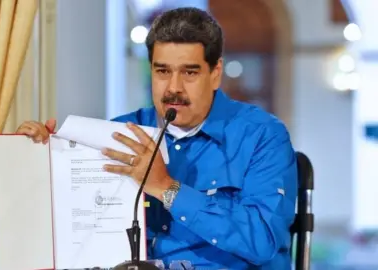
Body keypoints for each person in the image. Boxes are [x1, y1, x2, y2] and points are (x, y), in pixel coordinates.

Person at [16, 7, 298, 269]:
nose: (173, 88)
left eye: (189, 72)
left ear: (215, 74)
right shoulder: (119, 134)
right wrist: (44, 158)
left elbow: (263, 240)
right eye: (162, 71)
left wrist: (167, 188)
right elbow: (69, 223)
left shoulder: (262, 136)